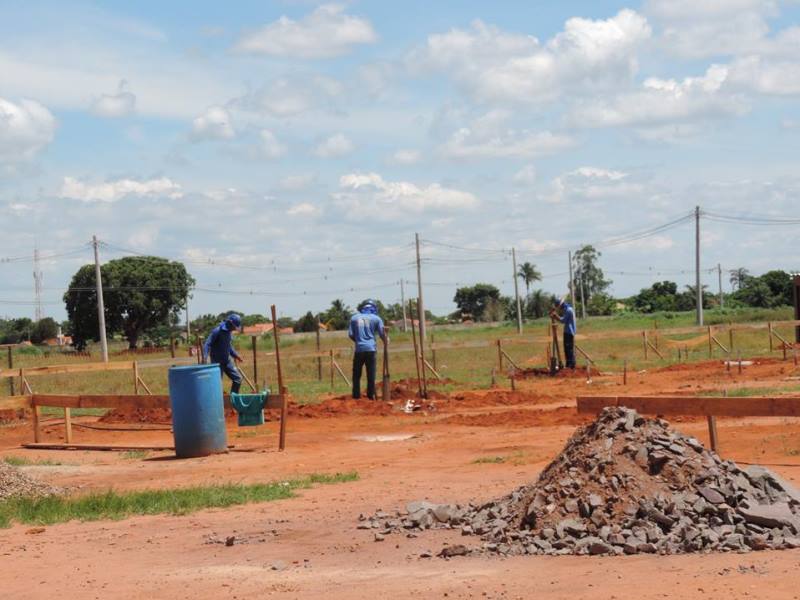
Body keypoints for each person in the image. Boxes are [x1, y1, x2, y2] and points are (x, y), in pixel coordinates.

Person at [348, 299, 386, 400]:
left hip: (359, 349)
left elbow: (351, 334)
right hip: (371, 349)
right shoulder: (377, 319)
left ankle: (356, 396)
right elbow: (383, 334)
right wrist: (386, 341)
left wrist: (358, 341)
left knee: (356, 374)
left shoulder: (354, 318)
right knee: (371, 374)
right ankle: (371, 396)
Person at [203, 313, 244, 394]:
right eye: (234, 326)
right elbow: (207, 343)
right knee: (217, 383)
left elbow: (229, 347)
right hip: (217, 363)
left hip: (227, 361)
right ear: (230, 323)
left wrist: (236, 356)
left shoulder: (229, 332)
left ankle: (233, 399)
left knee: (238, 379)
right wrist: (205, 356)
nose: (234, 329)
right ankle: (217, 402)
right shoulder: (217, 331)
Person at [551, 300, 577, 369]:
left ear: (561, 305)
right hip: (567, 331)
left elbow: (563, 320)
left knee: (569, 349)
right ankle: (569, 365)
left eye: (558, 307)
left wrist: (556, 316)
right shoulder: (568, 309)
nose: (559, 309)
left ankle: (571, 365)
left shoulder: (568, 310)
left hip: (569, 331)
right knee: (567, 349)